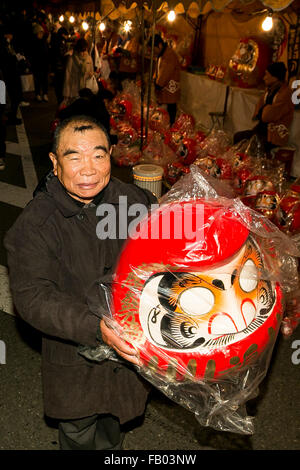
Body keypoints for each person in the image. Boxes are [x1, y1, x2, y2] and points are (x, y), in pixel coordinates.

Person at [4, 115, 157, 450]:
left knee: (114, 424)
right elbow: (33, 297)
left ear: (111, 155)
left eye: (98, 156)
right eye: (74, 157)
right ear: (54, 162)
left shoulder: (134, 201)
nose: (88, 170)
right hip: (74, 356)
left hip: (129, 351)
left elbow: (166, 247)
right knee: (78, 430)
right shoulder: (36, 225)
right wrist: (94, 326)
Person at [233, 62, 295, 153]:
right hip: (262, 130)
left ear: (275, 77)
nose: (263, 78)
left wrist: (264, 109)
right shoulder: (270, 90)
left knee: (252, 146)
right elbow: (259, 110)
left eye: (266, 75)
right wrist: (264, 109)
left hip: (274, 136)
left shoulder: (285, 93)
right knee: (238, 137)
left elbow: (267, 116)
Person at [150, 34, 181, 126]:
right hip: (164, 88)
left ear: (159, 45)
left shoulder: (169, 55)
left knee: (170, 110)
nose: (153, 52)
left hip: (169, 88)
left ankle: (170, 127)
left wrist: (158, 84)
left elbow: (166, 71)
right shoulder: (162, 54)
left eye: (153, 49)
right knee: (163, 112)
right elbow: (158, 69)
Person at [63, 38, 94, 104]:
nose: (83, 53)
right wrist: (67, 94)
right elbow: (67, 76)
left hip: (86, 89)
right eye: (81, 50)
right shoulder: (72, 59)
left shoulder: (89, 58)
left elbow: (92, 71)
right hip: (74, 91)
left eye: (85, 50)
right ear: (78, 49)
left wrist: (91, 74)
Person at [30, 23, 49, 102]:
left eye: (42, 32)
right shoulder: (33, 43)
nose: (41, 34)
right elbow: (32, 54)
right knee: (37, 80)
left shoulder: (44, 42)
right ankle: (37, 94)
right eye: (39, 33)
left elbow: (47, 53)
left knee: (44, 79)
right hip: (36, 64)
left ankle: (45, 94)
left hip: (44, 64)